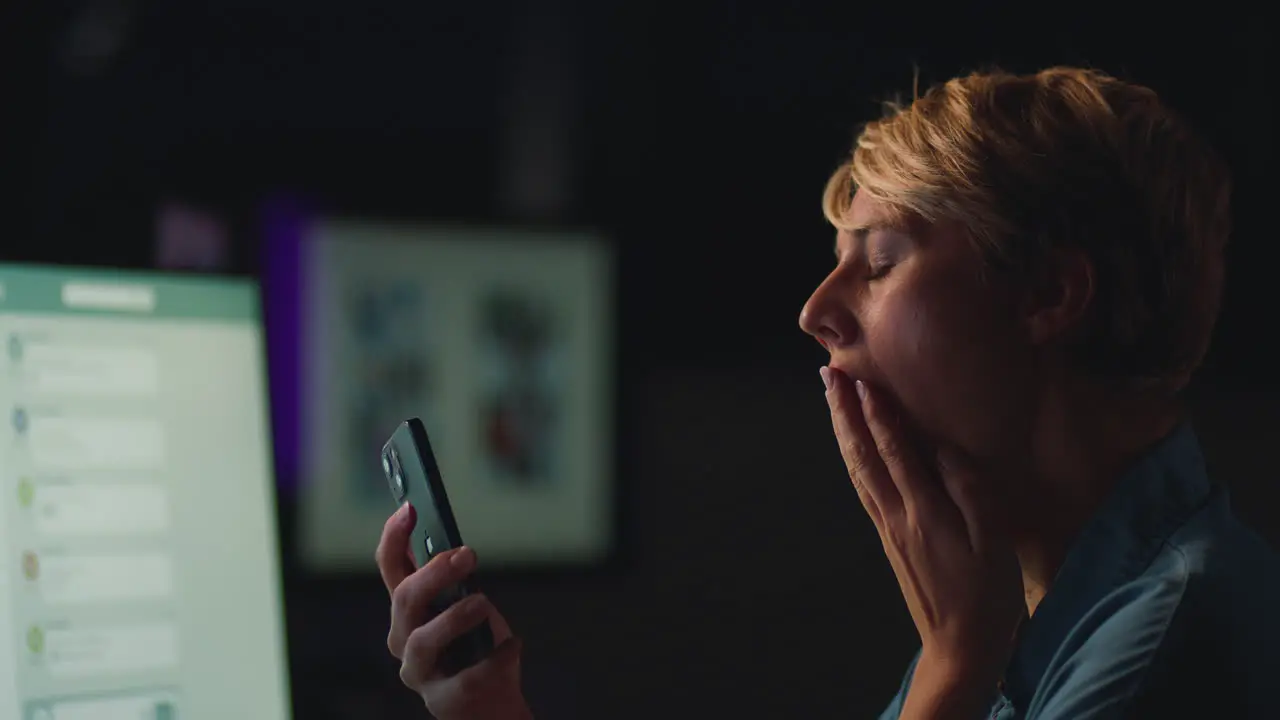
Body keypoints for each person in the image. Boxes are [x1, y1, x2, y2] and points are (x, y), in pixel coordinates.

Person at [375, 66, 1280, 719]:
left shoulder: (1163, 644)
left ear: (1047, 296)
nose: (816, 312)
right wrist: (486, 709)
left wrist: (953, 671)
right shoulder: (1028, 603)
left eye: (880, 264)